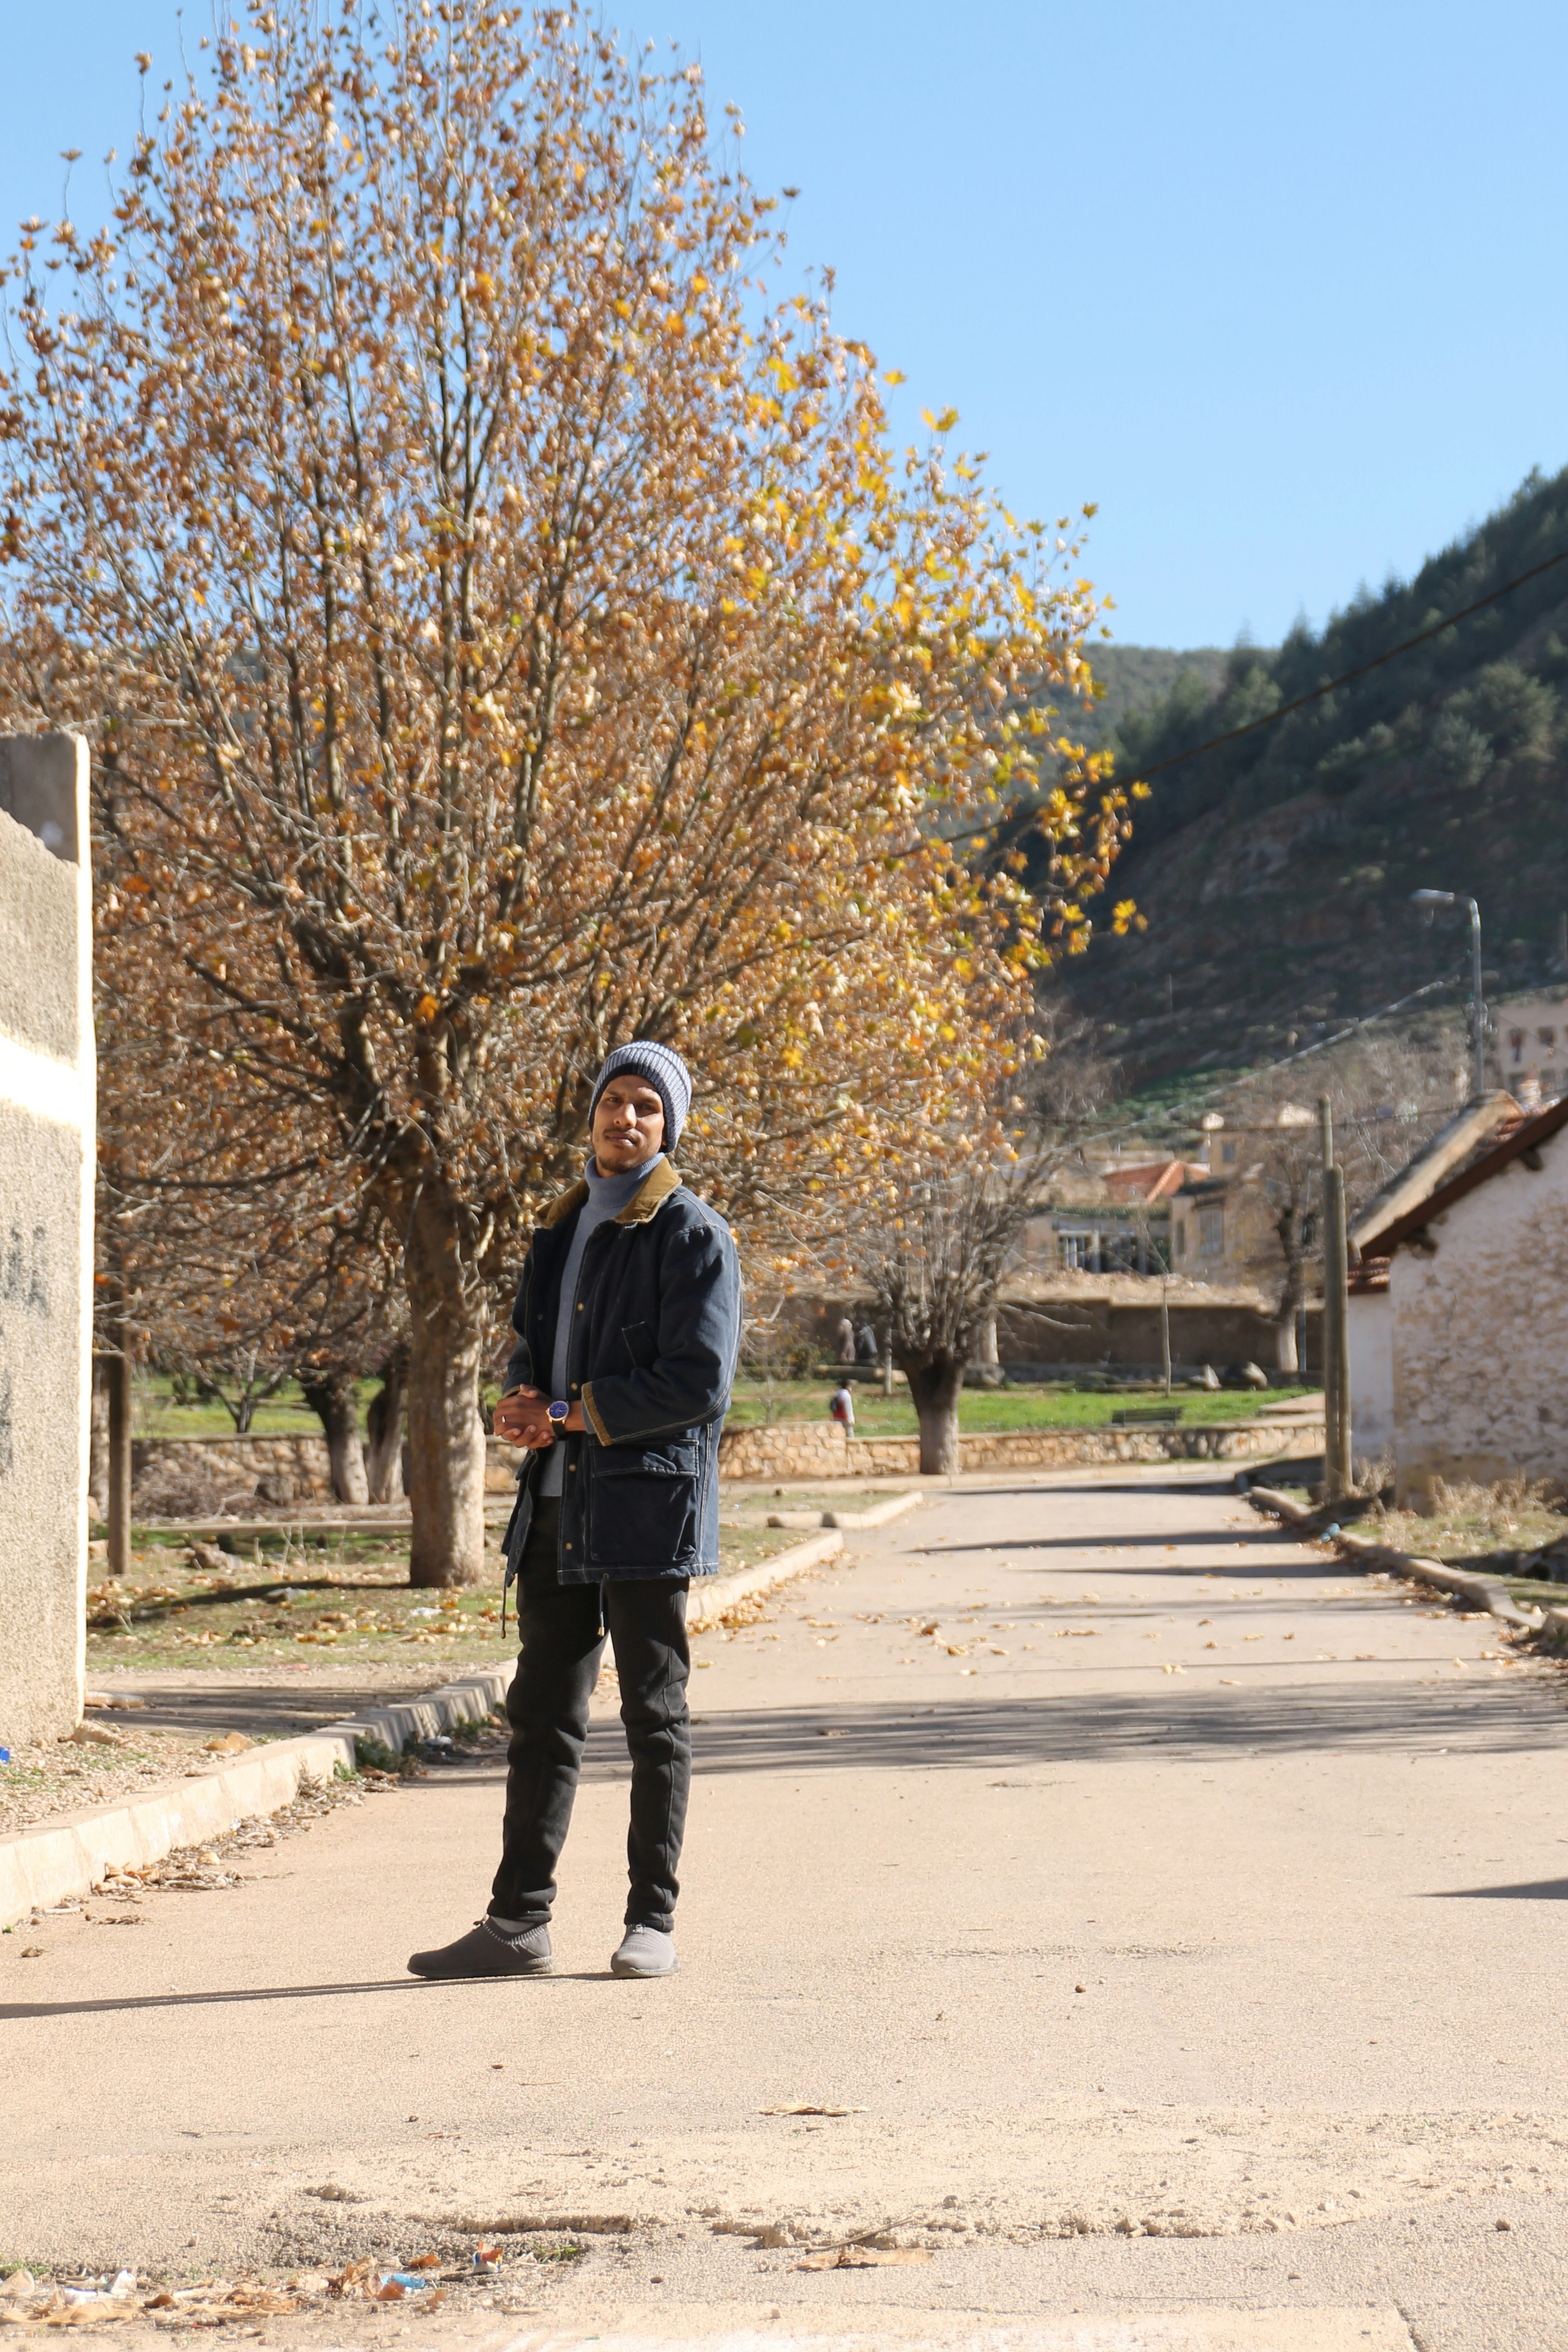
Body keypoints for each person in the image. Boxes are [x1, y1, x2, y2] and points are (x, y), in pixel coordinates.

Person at [408, 1042, 742, 1984]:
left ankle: (652, 1919)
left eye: (646, 1105)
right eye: (613, 1101)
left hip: (643, 1514)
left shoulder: (691, 1235)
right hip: (554, 1511)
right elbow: (532, 1346)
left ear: (668, 1125)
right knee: (542, 1715)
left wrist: (571, 1411)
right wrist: (522, 1398)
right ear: (590, 1116)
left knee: (653, 1717)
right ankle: (517, 1924)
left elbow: (699, 1381)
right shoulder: (557, 1233)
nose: (625, 1118)